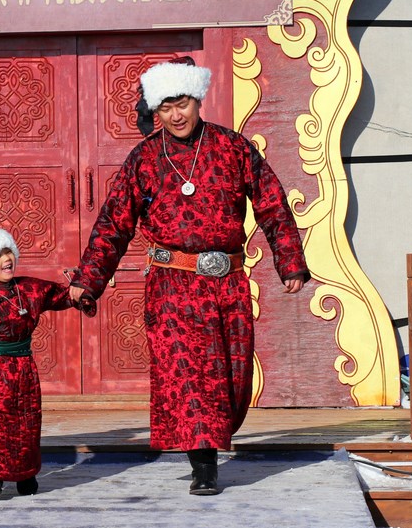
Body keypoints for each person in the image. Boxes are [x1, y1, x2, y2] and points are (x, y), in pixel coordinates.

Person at [67, 57, 309, 496]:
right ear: (155, 111)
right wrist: (90, 278)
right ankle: (204, 466)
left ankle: (212, 441)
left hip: (227, 283)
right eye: (165, 108)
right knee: (190, 377)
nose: (176, 115)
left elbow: (272, 203)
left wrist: (289, 259)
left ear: (198, 100)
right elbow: (114, 222)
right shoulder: (144, 159)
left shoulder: (233, 148)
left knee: (231, 378)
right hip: (172, 286)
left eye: (182, 104)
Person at [0, 225, 96, 500]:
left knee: (25, 421)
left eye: (9, 252)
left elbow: (60, 295)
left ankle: (25, 472)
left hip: (22, 364)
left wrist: (80, 294)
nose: (7, 259)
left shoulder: (27, 288)